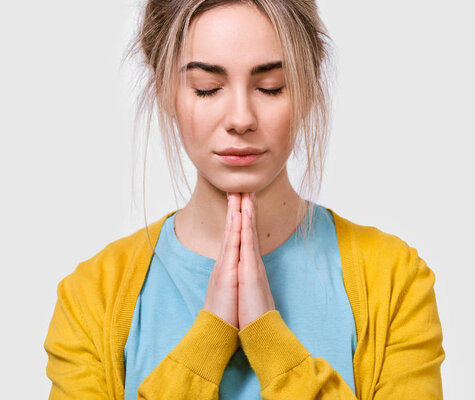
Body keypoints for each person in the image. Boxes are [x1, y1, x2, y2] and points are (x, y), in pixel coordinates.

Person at [43, 0, 445, 399]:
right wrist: (210, 336)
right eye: (208, 89)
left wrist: (268, 338)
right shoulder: (91, 298)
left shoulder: (394, 280)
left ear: (306, 89)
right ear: (165, 91)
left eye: (270, 88)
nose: (240, 118)